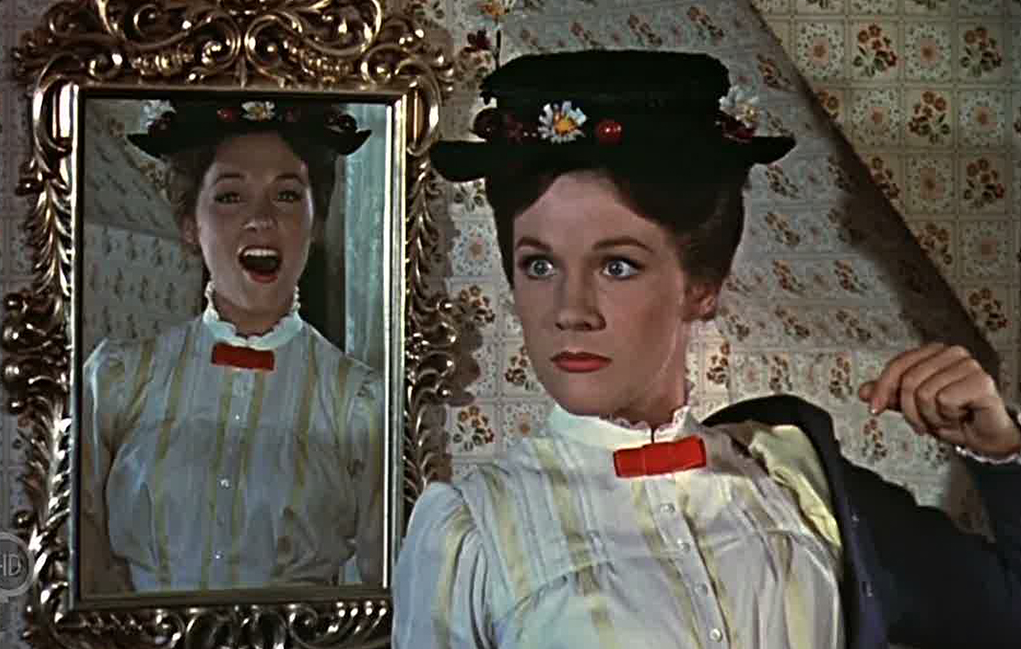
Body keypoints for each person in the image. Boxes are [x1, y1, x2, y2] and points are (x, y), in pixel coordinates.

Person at [392, 51, 1021, 648]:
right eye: (538, 265)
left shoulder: (797, 476)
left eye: (617, 266)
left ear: (702, 286)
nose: (569, 310)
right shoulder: (472, 532)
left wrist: (1000, 454)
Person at [80, 99, 385, 593]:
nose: (261, 218)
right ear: (190, 225)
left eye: (287, 195)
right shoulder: (117, 380)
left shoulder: (360, 403)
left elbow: (389, 590)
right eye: (230, 196)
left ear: (316, 221)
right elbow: (77, 565)